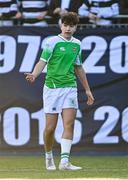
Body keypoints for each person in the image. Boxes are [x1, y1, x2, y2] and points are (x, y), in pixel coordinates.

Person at [25, 12, 94, 171]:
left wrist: (88, 90)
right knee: (50, 128)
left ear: (76, 27)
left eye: (71, 26)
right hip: (52, 89)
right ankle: (49, 157)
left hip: (70, 87)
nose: (68, 28)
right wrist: (34, 75)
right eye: (65, 25)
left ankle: (64, 162)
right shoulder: (52, 42)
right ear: (61, 25)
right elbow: (42, 62)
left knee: (69, 124)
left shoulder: (77, 44)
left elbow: (79, 68)